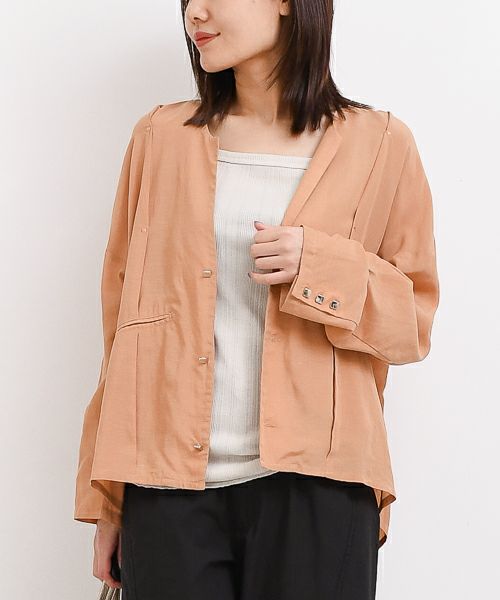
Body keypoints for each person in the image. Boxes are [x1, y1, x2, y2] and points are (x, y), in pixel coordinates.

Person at [74, 1, 440, 599]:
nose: (195, 13)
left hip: (320, 483)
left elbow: (412, 324)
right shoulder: (160, 138)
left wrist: (317, 267)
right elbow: (121, 330)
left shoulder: (381, 144)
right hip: (165, 485)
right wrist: (107, 499)